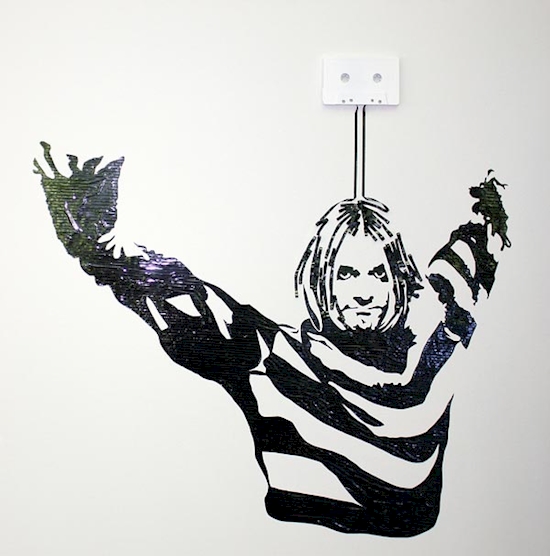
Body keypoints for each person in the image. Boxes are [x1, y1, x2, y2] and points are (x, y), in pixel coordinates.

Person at [34, 141, 510, 537]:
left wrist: (493, 193)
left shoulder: (436, 342)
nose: (364, 291)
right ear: (320, 281)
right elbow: (191, 298)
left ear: (398, 279)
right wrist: (103, 250)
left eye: (377, 273)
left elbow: (472, 254)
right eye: (346, 273)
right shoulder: (279, 358)